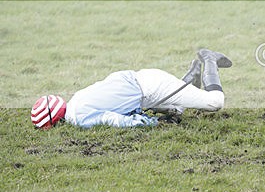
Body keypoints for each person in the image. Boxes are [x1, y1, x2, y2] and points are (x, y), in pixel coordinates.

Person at [30, 48, 232, 129]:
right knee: (176, 111)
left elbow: (112, 119)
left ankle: (210, 59)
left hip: (150, 89)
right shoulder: (76, 98)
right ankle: (190, 79)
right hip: (144, 84)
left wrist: (149, 124)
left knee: (215, 103)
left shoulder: (77, 118)